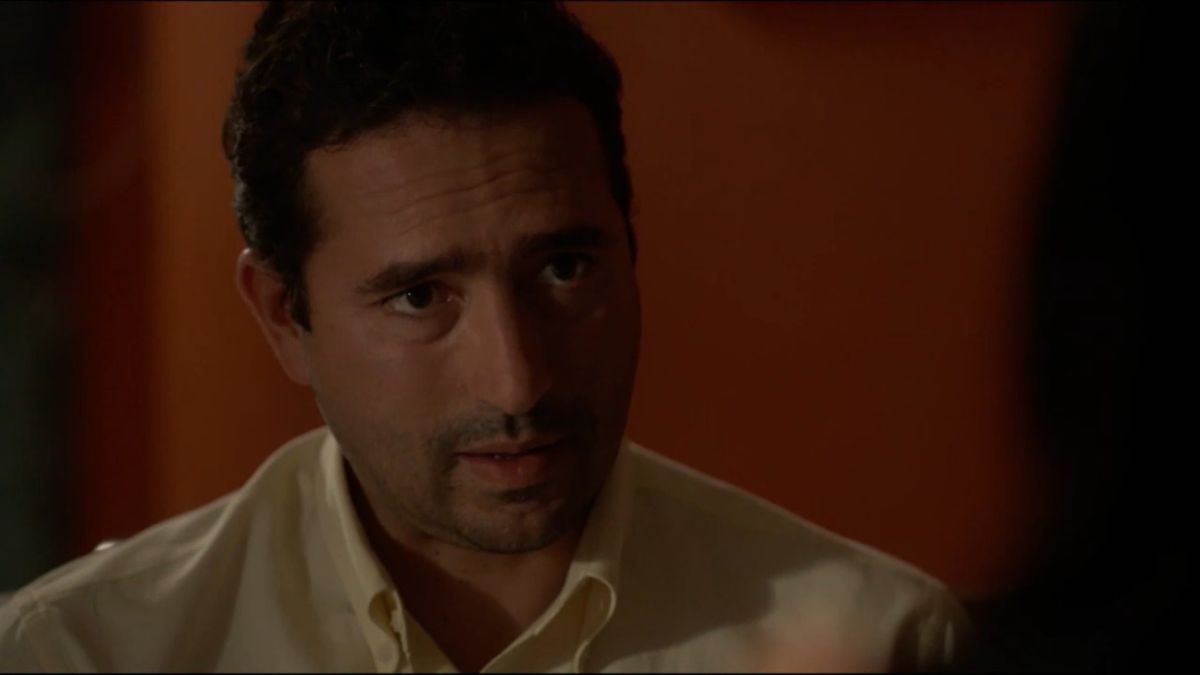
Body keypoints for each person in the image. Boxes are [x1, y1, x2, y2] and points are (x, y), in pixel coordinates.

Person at [0, 2, 968, 671]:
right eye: (421, 296)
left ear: (630, 251)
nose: (517, 381)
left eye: (564, 268)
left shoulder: (879, 641)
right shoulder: (82, 654)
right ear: (284, 316)